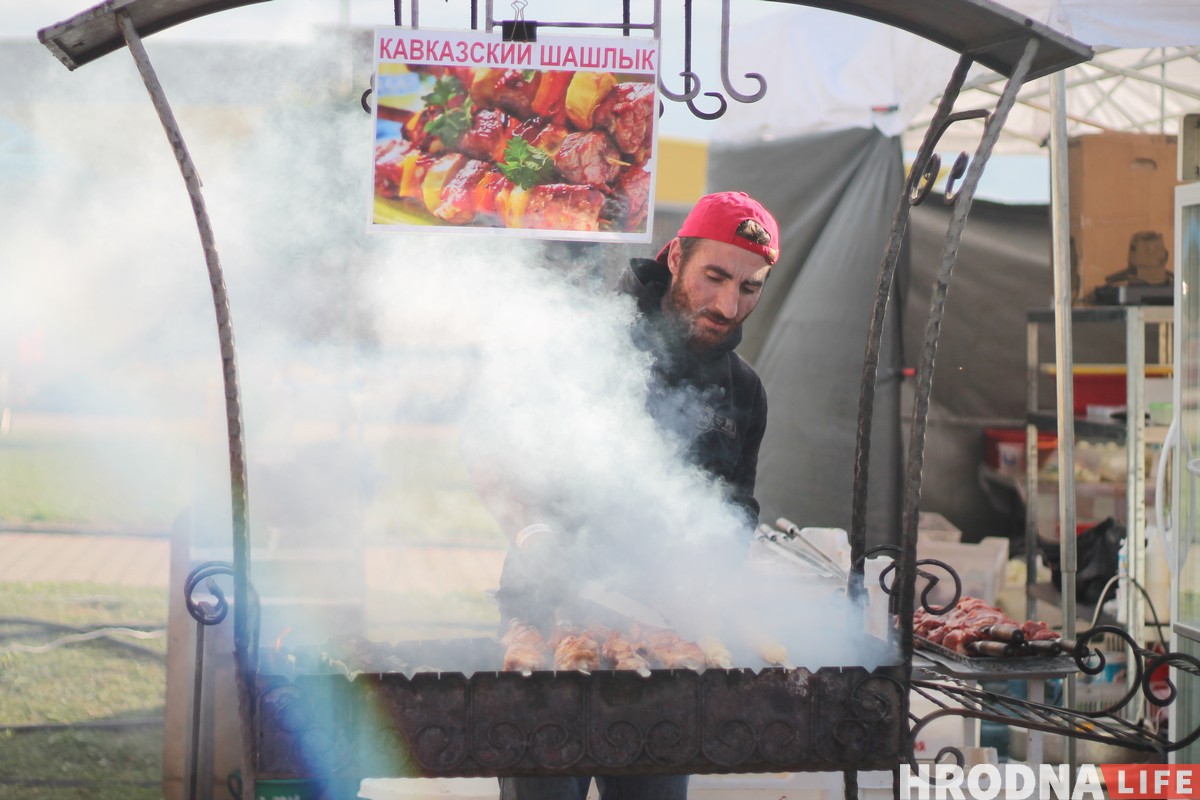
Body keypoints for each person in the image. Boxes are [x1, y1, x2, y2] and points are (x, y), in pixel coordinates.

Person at [496, 191, 781, 800]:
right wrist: (535, 532)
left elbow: (738, 504)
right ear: (676, 256)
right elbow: (498, 453)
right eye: (716, 277)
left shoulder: (745, 391)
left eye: (750, 288)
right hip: (553, 617)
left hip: (665, 637)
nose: (730, 305)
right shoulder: (589, 337)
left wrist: (715, 560)